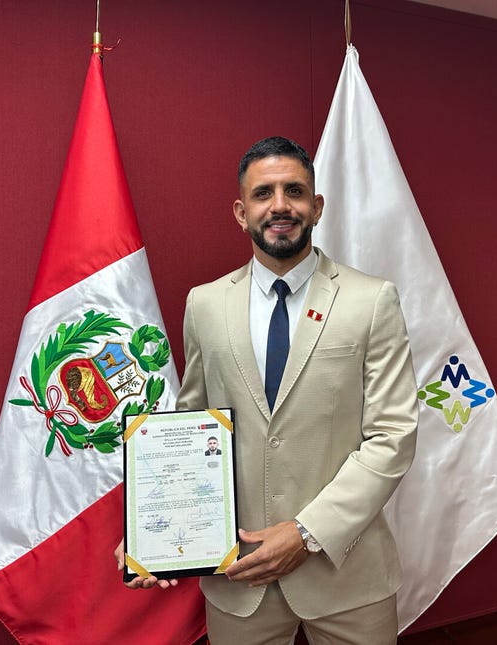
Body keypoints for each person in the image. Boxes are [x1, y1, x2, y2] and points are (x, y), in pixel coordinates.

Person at [118, 136, 418, 644]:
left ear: (316, 206)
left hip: (348, 578)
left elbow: (393, 436)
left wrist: (305, 534)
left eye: (294, 191)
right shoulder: (204, 305)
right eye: (264, 194)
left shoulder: (372, 301)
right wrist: (156, 526)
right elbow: (191, 430)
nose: (280, 206)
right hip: (239, 578)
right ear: (241, 211)